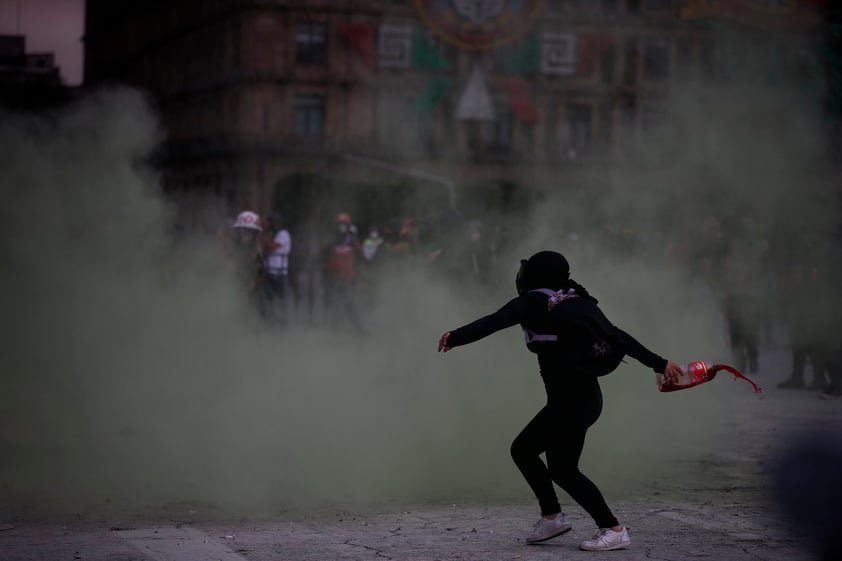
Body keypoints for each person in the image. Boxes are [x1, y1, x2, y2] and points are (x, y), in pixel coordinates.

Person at [437, 250, 682, 552]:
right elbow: (619, 336)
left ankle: (612, 528)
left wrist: (454, 336)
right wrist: (660, 363)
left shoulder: (530, 303)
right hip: (583, 400)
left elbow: (493, 322)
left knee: (557, 467)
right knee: (529, 452)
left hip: (571, 404)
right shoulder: (575, 300)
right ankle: (553, 517)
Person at [262, 211, 292, 325]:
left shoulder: (283, 234)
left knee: (280, 299)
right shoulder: (274, 234)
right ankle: (271, 320)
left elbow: (272, 246)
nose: (269, 225)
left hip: (279, 272)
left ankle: (282, 322)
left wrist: (265, 236)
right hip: (270, 270)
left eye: (270, 222)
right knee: (269, 298)